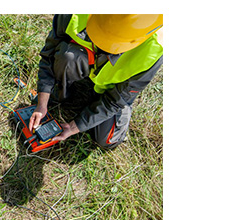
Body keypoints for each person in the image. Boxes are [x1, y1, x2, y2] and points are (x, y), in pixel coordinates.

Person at [28, 14, 163, 149]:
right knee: (67, 58)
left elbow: (115, 101)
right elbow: (48, 55)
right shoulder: (75, 13)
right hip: (83, 59)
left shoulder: (152, 51)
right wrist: (42, 103)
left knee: (106, 140)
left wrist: (74, 127)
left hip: (112, 91)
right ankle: (60, 92)